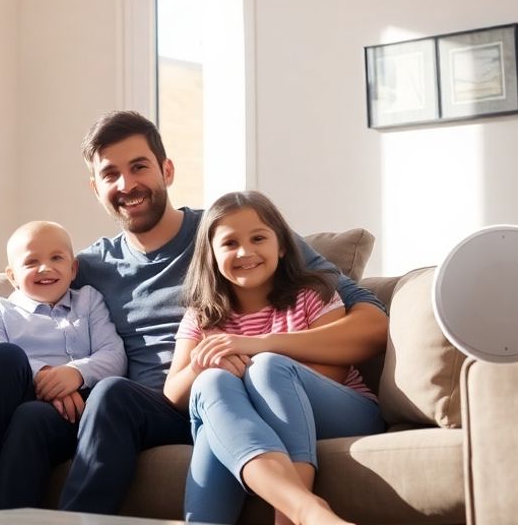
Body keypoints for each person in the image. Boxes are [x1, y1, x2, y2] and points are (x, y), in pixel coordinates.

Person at [50, 110, 388, 514]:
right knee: (114, 397)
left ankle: (299, 511)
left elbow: (366, 314)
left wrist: (253, 347)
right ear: (96, 186)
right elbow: (38, 308)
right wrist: (70, 372)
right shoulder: (90, 268)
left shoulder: (226, 228)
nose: (127, 184)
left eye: (139, 166)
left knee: (252, 375)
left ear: (167, 169)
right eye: (110, 174)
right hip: (177, 401)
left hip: (250, 396)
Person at [163, 191, 383, 525]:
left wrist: (253, 346)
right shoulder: (202, 316)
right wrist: (201, 363)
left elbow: (333, 372)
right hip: (247, 421)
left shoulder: (313, 293)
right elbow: (174, 395)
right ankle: (307, 510)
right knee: (211, 384)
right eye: (230, 243)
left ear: (281, 246)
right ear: (210, 255)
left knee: (268, 366)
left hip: (342, 412)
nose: (245, 252)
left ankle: (290, 517)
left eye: (258, 238)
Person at [0, 220, 126, 510]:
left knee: (32, 417)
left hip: (77, 409)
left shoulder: (89, 300)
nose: (45, 268)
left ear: (73, 269)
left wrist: (75, 373)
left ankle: (5, 515)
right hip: (15, 401)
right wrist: (47, 377)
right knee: (4, 357)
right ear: (12, 275)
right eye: (31, 262)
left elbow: (114, 354)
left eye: (56, 258)